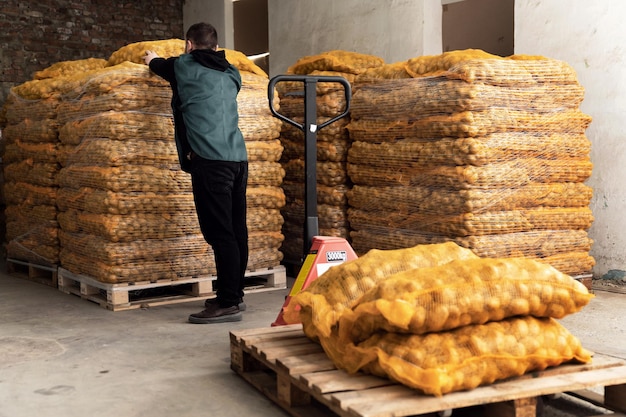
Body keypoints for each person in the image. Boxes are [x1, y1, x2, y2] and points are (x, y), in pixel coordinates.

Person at [143, 22, 248, 324]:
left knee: (221, 233)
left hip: (211, 161)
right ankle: (235, 295)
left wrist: (150, 58)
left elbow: (158, 64)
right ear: (215, 46)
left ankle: (227, 302)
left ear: (189, 45)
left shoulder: (183, 66)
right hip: (238, 159)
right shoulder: (231, 73)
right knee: (237, 229)